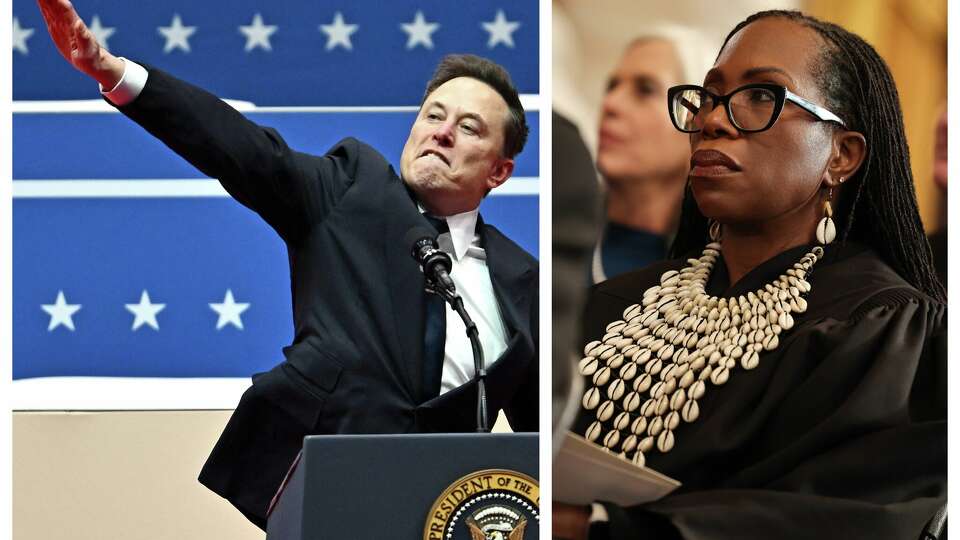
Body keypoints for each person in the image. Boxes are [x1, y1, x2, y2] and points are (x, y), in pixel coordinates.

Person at [37, 0, 539, 529]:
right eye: (433, 115)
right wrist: (114, 74)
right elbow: (243, 149)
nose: (441, 132)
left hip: (443, 512)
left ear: (499, 171)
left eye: (469, 128)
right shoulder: (351, 189)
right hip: (325, 490)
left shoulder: (522, 282)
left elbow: (542, 440)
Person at [555, 10, 945, 540]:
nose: (713, 120)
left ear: (841, 154)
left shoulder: (878, 325)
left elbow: (839, 516)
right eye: (709, 98)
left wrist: (599, 527)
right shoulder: (612, 304)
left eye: (763, 95)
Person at [591, 32, 704, 283]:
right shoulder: (555, 233)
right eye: (612, 86)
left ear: (698, 125)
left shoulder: (721, 272)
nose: (611, 103)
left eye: (645, 89)